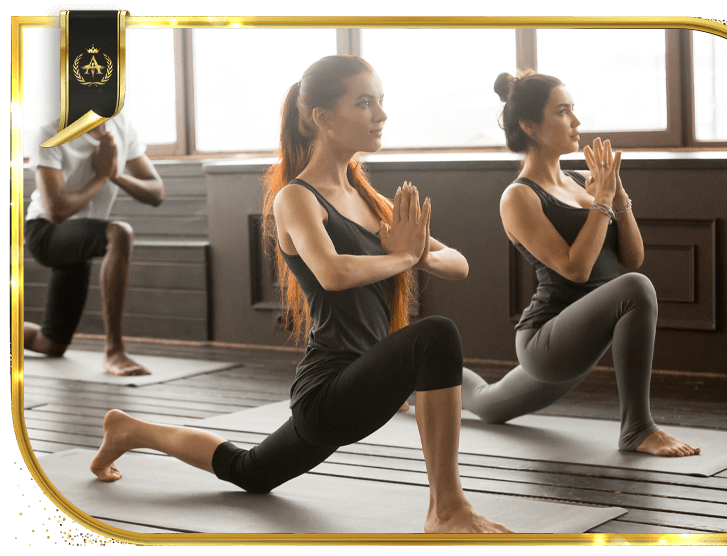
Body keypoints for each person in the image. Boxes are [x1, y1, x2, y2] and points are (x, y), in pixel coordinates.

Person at [89, 55, 512, 534]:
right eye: (365, 103)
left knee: (250, 472)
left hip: (368, 383)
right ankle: (448, 509)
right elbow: (331, 273)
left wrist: (415, 253)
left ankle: (128, 429)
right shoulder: (297, 198)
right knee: (435, 336)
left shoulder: (373, 201)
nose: (381, 115)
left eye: (381, 102)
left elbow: (458, 263)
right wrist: (402, 256)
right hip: (329, 392)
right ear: (322, 118)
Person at [460, 71, 700, 457]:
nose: (576, 122)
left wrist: (618, 196)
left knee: (484, 403)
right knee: (637, 287)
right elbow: (576, 270)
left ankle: (415, 377)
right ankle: (637, 429)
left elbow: (632, 257)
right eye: (563, 111)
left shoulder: (582, 181)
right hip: (547, 344)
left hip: (582, 339)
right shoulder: (518, 197)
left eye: (573, 110)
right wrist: (602, 201)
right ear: (530, 126)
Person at [23, 113, 164, 376]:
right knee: (119, 232)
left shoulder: (121, 126)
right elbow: (56, 210)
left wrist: (114, 175)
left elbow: (156, 192)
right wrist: (101, 177)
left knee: (50, 344)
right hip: (46, 233)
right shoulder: (50, 133)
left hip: (81, 242)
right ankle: (115, 351)